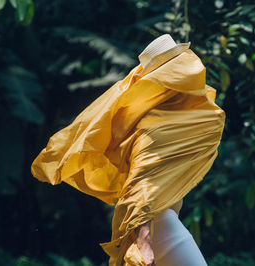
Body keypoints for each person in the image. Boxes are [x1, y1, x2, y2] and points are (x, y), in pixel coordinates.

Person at [31, 34, 225, 266]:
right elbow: (140, 185)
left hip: (161, 227)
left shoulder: (178, 119)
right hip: (158, 228)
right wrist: (144, 241)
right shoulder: (152, 127)